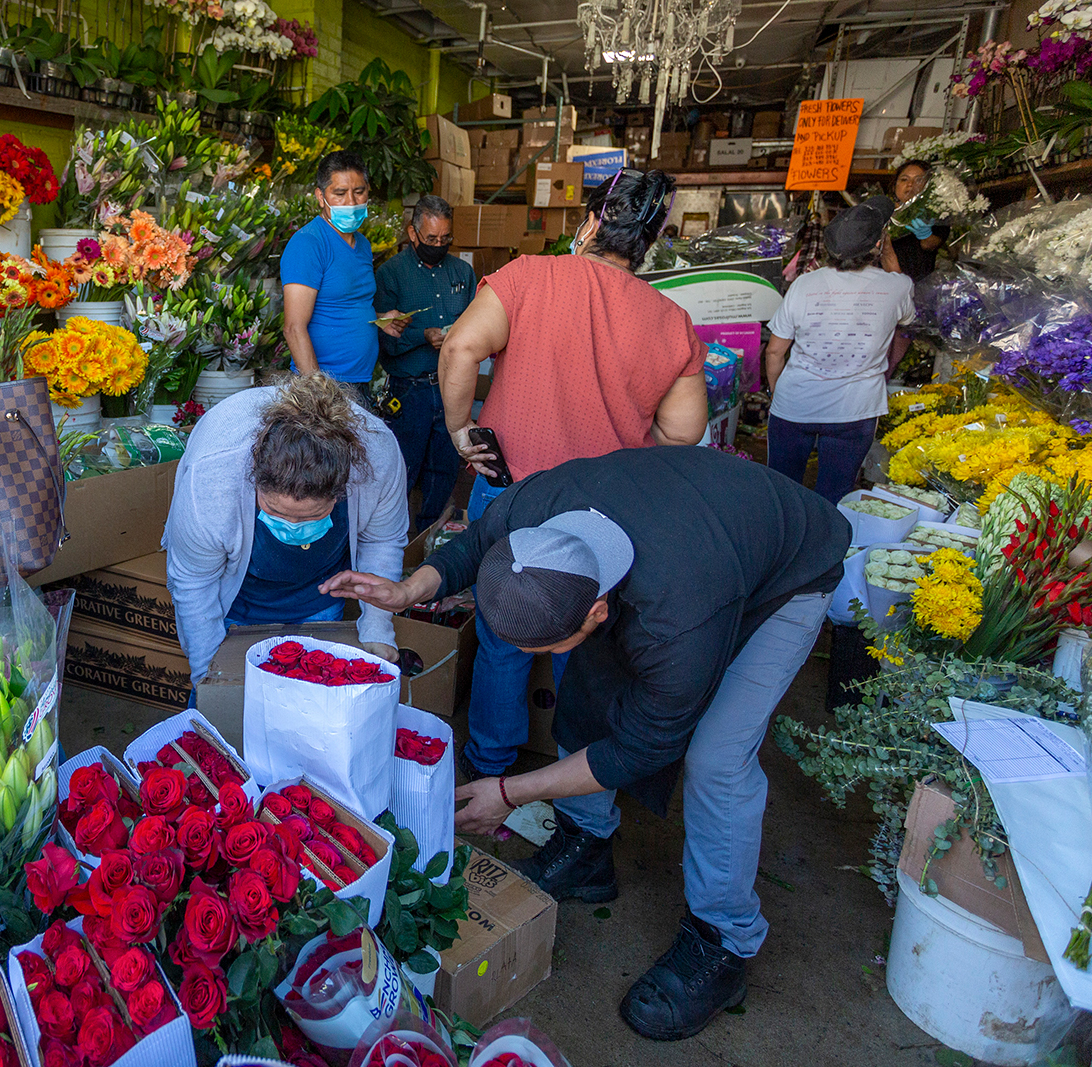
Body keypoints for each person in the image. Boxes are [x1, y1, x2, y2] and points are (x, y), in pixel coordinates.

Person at [321, 446, 851, 1042]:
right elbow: (476, 543)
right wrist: (408, 588)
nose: (528, 660)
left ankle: (723, 941)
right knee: (591, 686)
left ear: (600, 608)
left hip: (786, 571)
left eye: (539, 648)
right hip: (689, 522)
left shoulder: (678, 619)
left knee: (716, 759)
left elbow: (646, 746)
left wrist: (510, 791)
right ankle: (588, 847)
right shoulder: (537, 506)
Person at [435, 168, 710, 782]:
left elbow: (459, 349)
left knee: (502, 634)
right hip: (603, 512)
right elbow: (683, 434)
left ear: (590, 222)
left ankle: (488, 767)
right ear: (653, 239)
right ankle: (570, 787)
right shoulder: (670, 320)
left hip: (511, 489)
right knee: (583, 643)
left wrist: (461, 433)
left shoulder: (529, 276)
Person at [163, 373, 408, 690]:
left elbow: (382, 540)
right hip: (234, 602)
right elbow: (194, 581)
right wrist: (208, 675)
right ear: (255, 479)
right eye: (276, 512)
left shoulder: (378, 456)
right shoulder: (213, 476)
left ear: (340, 491)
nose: (292, 527)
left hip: (320, 599)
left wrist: (377, 628)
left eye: (313, 516)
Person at [764, 196, 914, 505]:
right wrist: (886, 248)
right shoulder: (897, 287)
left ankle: (779, 549)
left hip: (795, 404)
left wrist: (778, 393)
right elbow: (905, 315)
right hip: (855, 410)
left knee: (781, 491)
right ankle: (826, 550)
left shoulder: (804, 285)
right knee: (835, 495)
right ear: (875, 244)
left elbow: (775, 352)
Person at [372, 195, 475, 534]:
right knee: (401, 472)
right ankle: (392, 546)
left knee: (444, 471)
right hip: (410, 390)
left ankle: (427, 544)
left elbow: (478, 324)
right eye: (431, 239)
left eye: (446, 239)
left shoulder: (462, 272)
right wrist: (422, 335)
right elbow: (384, 337)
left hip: (451, 388)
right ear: (412, 233)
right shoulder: (390, 274)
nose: (439, 245)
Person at [281, 150, 406, 385]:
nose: (351, 202)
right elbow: (293, 328)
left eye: (359, 192)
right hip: (326, 387)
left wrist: (381, 319)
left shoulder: (363, 244)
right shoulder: (308, 244)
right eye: (340, 193)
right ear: (320, 196)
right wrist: (318, 392)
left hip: (359, 382)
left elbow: (347, 304)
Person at [883, 160, 948, 281]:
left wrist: (925, 234)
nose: (910, 184)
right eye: (904, 179)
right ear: (894, 185)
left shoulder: (936, 213)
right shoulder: (882, 212)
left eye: (918, 180)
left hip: (918, 282)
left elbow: (931, 245)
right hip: (882, 282)